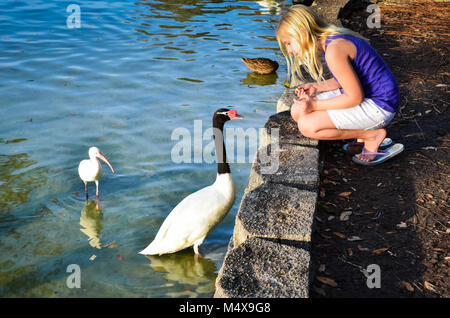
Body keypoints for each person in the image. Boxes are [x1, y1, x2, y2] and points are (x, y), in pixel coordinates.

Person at [276, 5, 403, 165]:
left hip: (380, 106)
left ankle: (370, 136)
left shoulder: (334, 50)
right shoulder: (332, 40)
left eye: (288, 43)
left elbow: (355, 97)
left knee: (307, 125)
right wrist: (317, 87)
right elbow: (346, 78)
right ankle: (362, 133)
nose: (289, 50)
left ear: (302, 33)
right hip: (370, 97)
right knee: (297, 111)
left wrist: (314, 105)